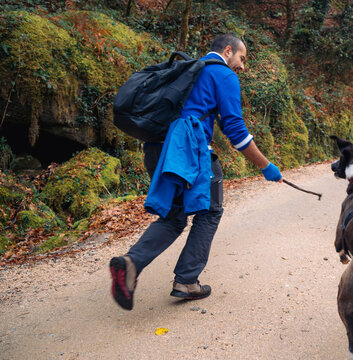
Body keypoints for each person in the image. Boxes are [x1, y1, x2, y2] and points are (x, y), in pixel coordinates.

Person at [109, 33, 282, 311]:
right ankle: (186, 281)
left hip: (157, 150)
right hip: (188, 151)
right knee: (211, 210)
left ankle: (130, 263)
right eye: (242, 58)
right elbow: (235, 131)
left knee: (174, 216)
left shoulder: (186, 72)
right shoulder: (222, 75)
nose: (242, 66)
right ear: (228, 51)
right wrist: (265, 166)